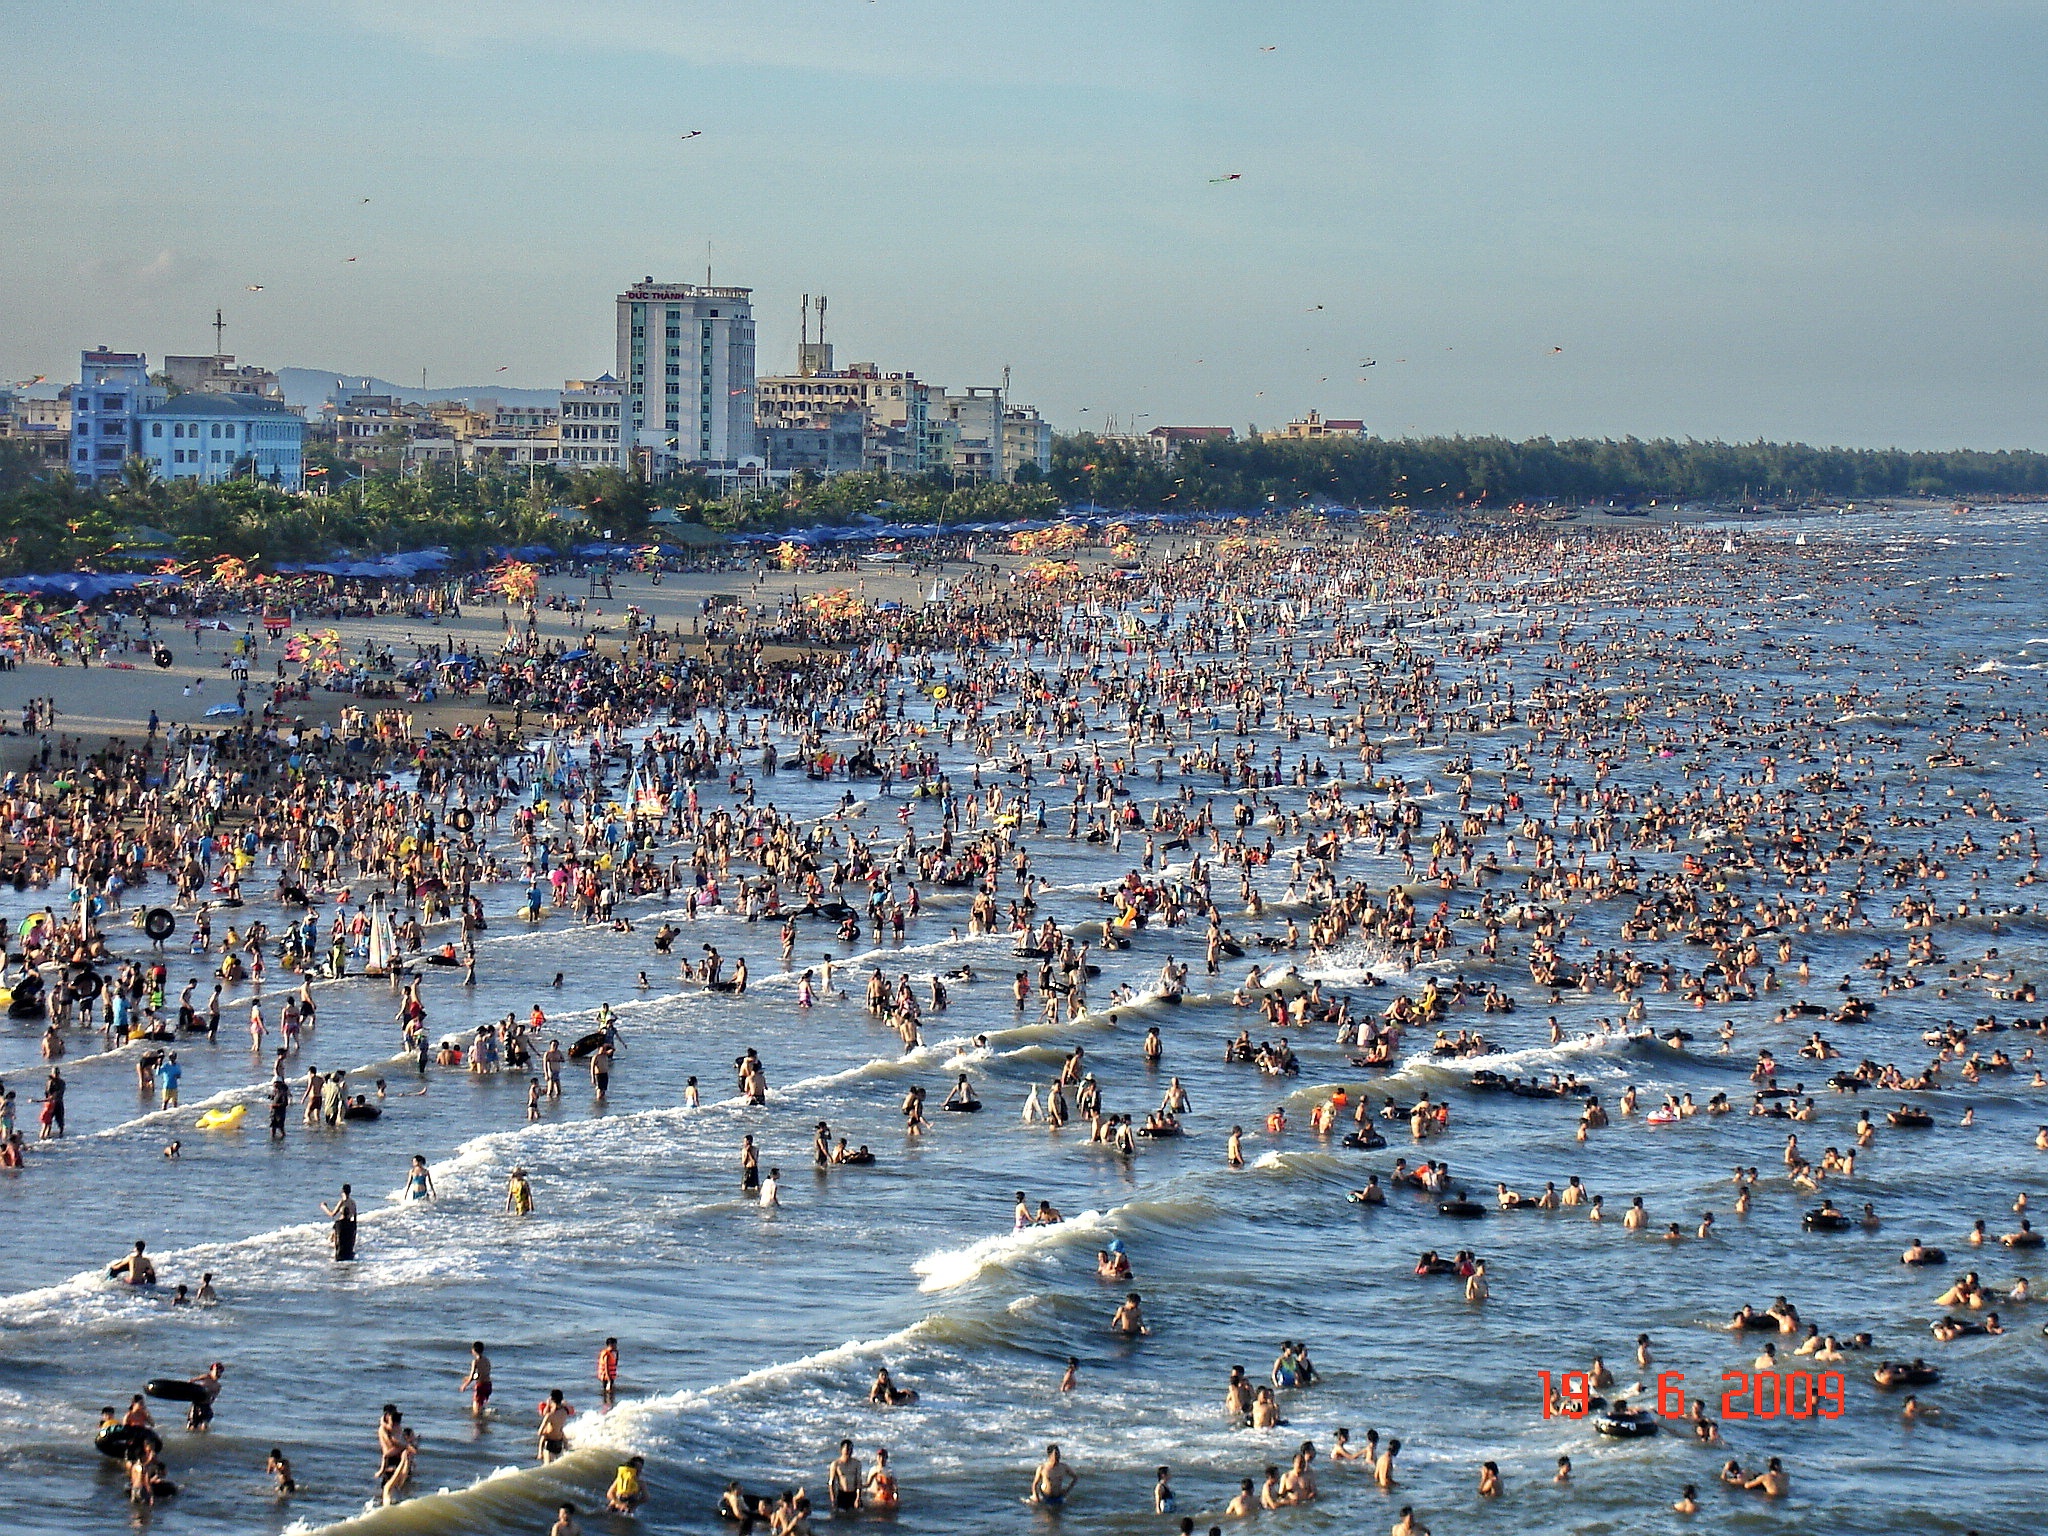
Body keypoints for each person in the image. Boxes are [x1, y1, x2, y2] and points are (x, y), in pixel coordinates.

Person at [1027, 1443, 1078, 1507]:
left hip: (1058, 1497)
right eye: (1056, 1454)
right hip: (1045, 1498)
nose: (1058, 1456)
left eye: (1058, 1454)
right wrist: (1036, 1496)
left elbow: (1075, 1477)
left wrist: (1067, 1490)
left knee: (1059, 1516)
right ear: (1050, 1455)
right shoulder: (1042, 1468)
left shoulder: (1064, 1467)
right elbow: (1035, 1484)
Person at [536, 1388, 575, 1463]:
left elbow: (539, 1432)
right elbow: (566, 1406)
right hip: (559, 1443)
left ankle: (539, 1453)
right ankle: (567, 1448)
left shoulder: (550, 1416)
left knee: (548, 1468)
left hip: (550, 1443)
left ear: (551, 1399)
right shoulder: (565, 1412)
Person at [323, 1184, 358, 1261]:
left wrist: (324, 1207)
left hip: (340, 1224)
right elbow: (355, 1217)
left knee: (333, 1239)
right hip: (349, 1224)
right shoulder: (353, 1203)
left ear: (342, 1191)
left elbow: (332, 1214)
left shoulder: (342, 1202)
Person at [185, 1362, 224, 1430]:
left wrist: (209, 1402)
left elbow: (214, 1398)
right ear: (211, 1371)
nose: (218, 1372)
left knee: (204, 1426)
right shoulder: (206, 1377)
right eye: (216, 1370)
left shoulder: (218, 1386)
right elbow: (191, 1381)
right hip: (197, 1405)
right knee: (192, 1426)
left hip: (206, 1406)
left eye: (220, 1371)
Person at [828, 1439, 864, 1514]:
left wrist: (858, 1498)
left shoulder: (857, 1463)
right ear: (841, 1450)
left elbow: (858, 1481)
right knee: (840, 1517)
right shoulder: (836, 1464)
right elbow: (831, 1483)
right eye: (847, 1449)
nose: (849, 1451)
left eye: (851, 1449)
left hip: (853, 1494)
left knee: (857, 1516)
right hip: (842, 1494)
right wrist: (833, 1499)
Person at [461, 1342, 493, 1417]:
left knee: (476, 1412)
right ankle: (483, 1423)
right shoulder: (486, 1360)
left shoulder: (475, 1362)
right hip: (488, 1385)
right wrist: (469, 1378)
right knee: (481, 1406)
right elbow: (484, 1373)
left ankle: (478, 1425)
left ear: (474, 1351)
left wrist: (464, 1385)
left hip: (480, 1386)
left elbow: (473, 1376)